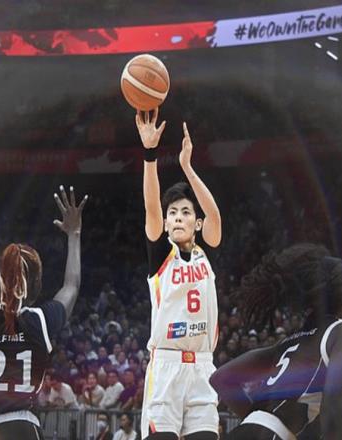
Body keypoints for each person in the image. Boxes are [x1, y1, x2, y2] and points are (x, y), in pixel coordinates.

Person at [0, 186, 88, 439]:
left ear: (0, 279)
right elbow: (71, 286)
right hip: (24, 428)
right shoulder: (42, 320)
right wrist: (74, 235)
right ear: (36, 284)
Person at [135, 108, 222, 440]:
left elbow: (214, 214)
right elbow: (151, 205)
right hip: (166, 367)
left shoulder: (207, 251)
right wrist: (150, 154)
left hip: (202, 366)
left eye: (186, 212)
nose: (178, 217)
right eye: (173, 213)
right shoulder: (161, 254)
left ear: (196, 223)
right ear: (167, 223)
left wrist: (187, 166)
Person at [209, 243, 342, 440]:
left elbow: (222, 378)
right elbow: (335, 410)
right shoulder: (339, 332)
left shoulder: (288, 343)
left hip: (243, 431)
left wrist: (259, 421)